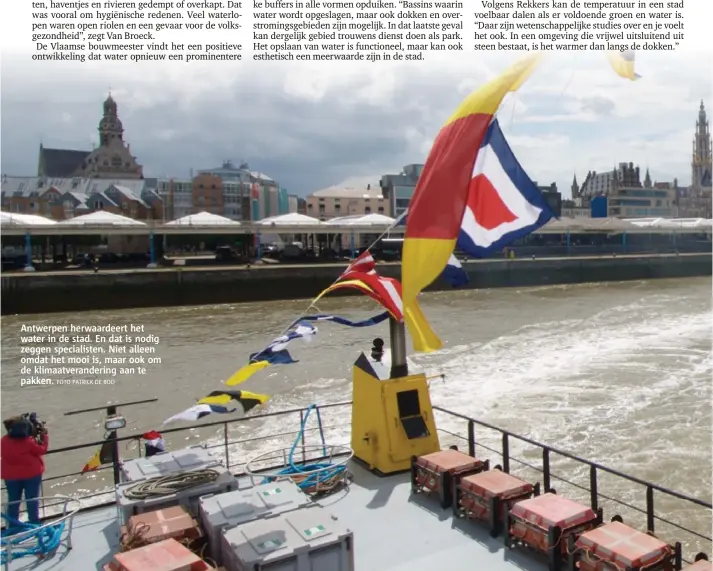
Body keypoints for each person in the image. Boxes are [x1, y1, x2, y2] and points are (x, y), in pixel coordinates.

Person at [1, 415, 49, 524]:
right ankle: (34, 523)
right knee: (31, 500)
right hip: (31, 475)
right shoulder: (28, 442)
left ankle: (13, 526)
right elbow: (42, 450)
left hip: (11, 476)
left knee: (13, 501)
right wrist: (44, 436)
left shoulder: (3, 441)